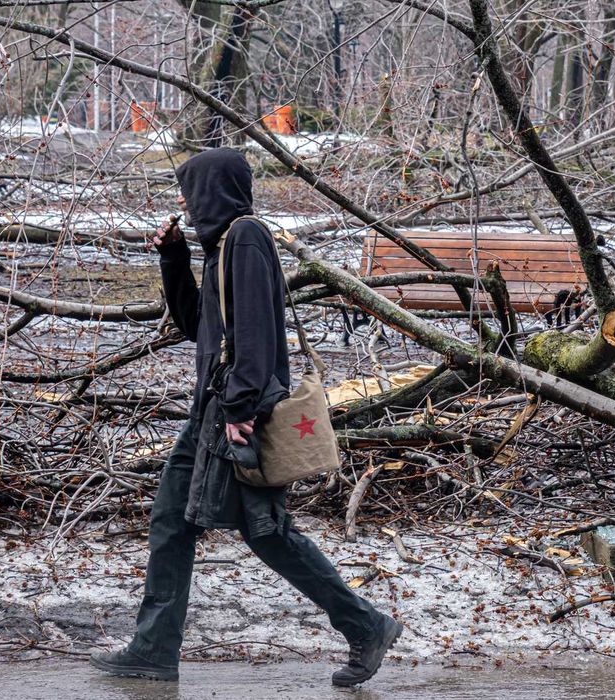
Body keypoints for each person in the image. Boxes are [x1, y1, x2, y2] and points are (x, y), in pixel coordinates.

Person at [90, 148, 401, 687]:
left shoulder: (247, 238)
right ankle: (154, 647)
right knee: (175, 520)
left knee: (266, 531)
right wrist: (173, 258)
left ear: (213, 189)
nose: (183, 201)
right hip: (213, 410)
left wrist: (240, 410)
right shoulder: (219, 249)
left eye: (189, 189)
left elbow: (257, 331)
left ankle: (366, 624)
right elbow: (197, 327)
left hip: (232, 412)